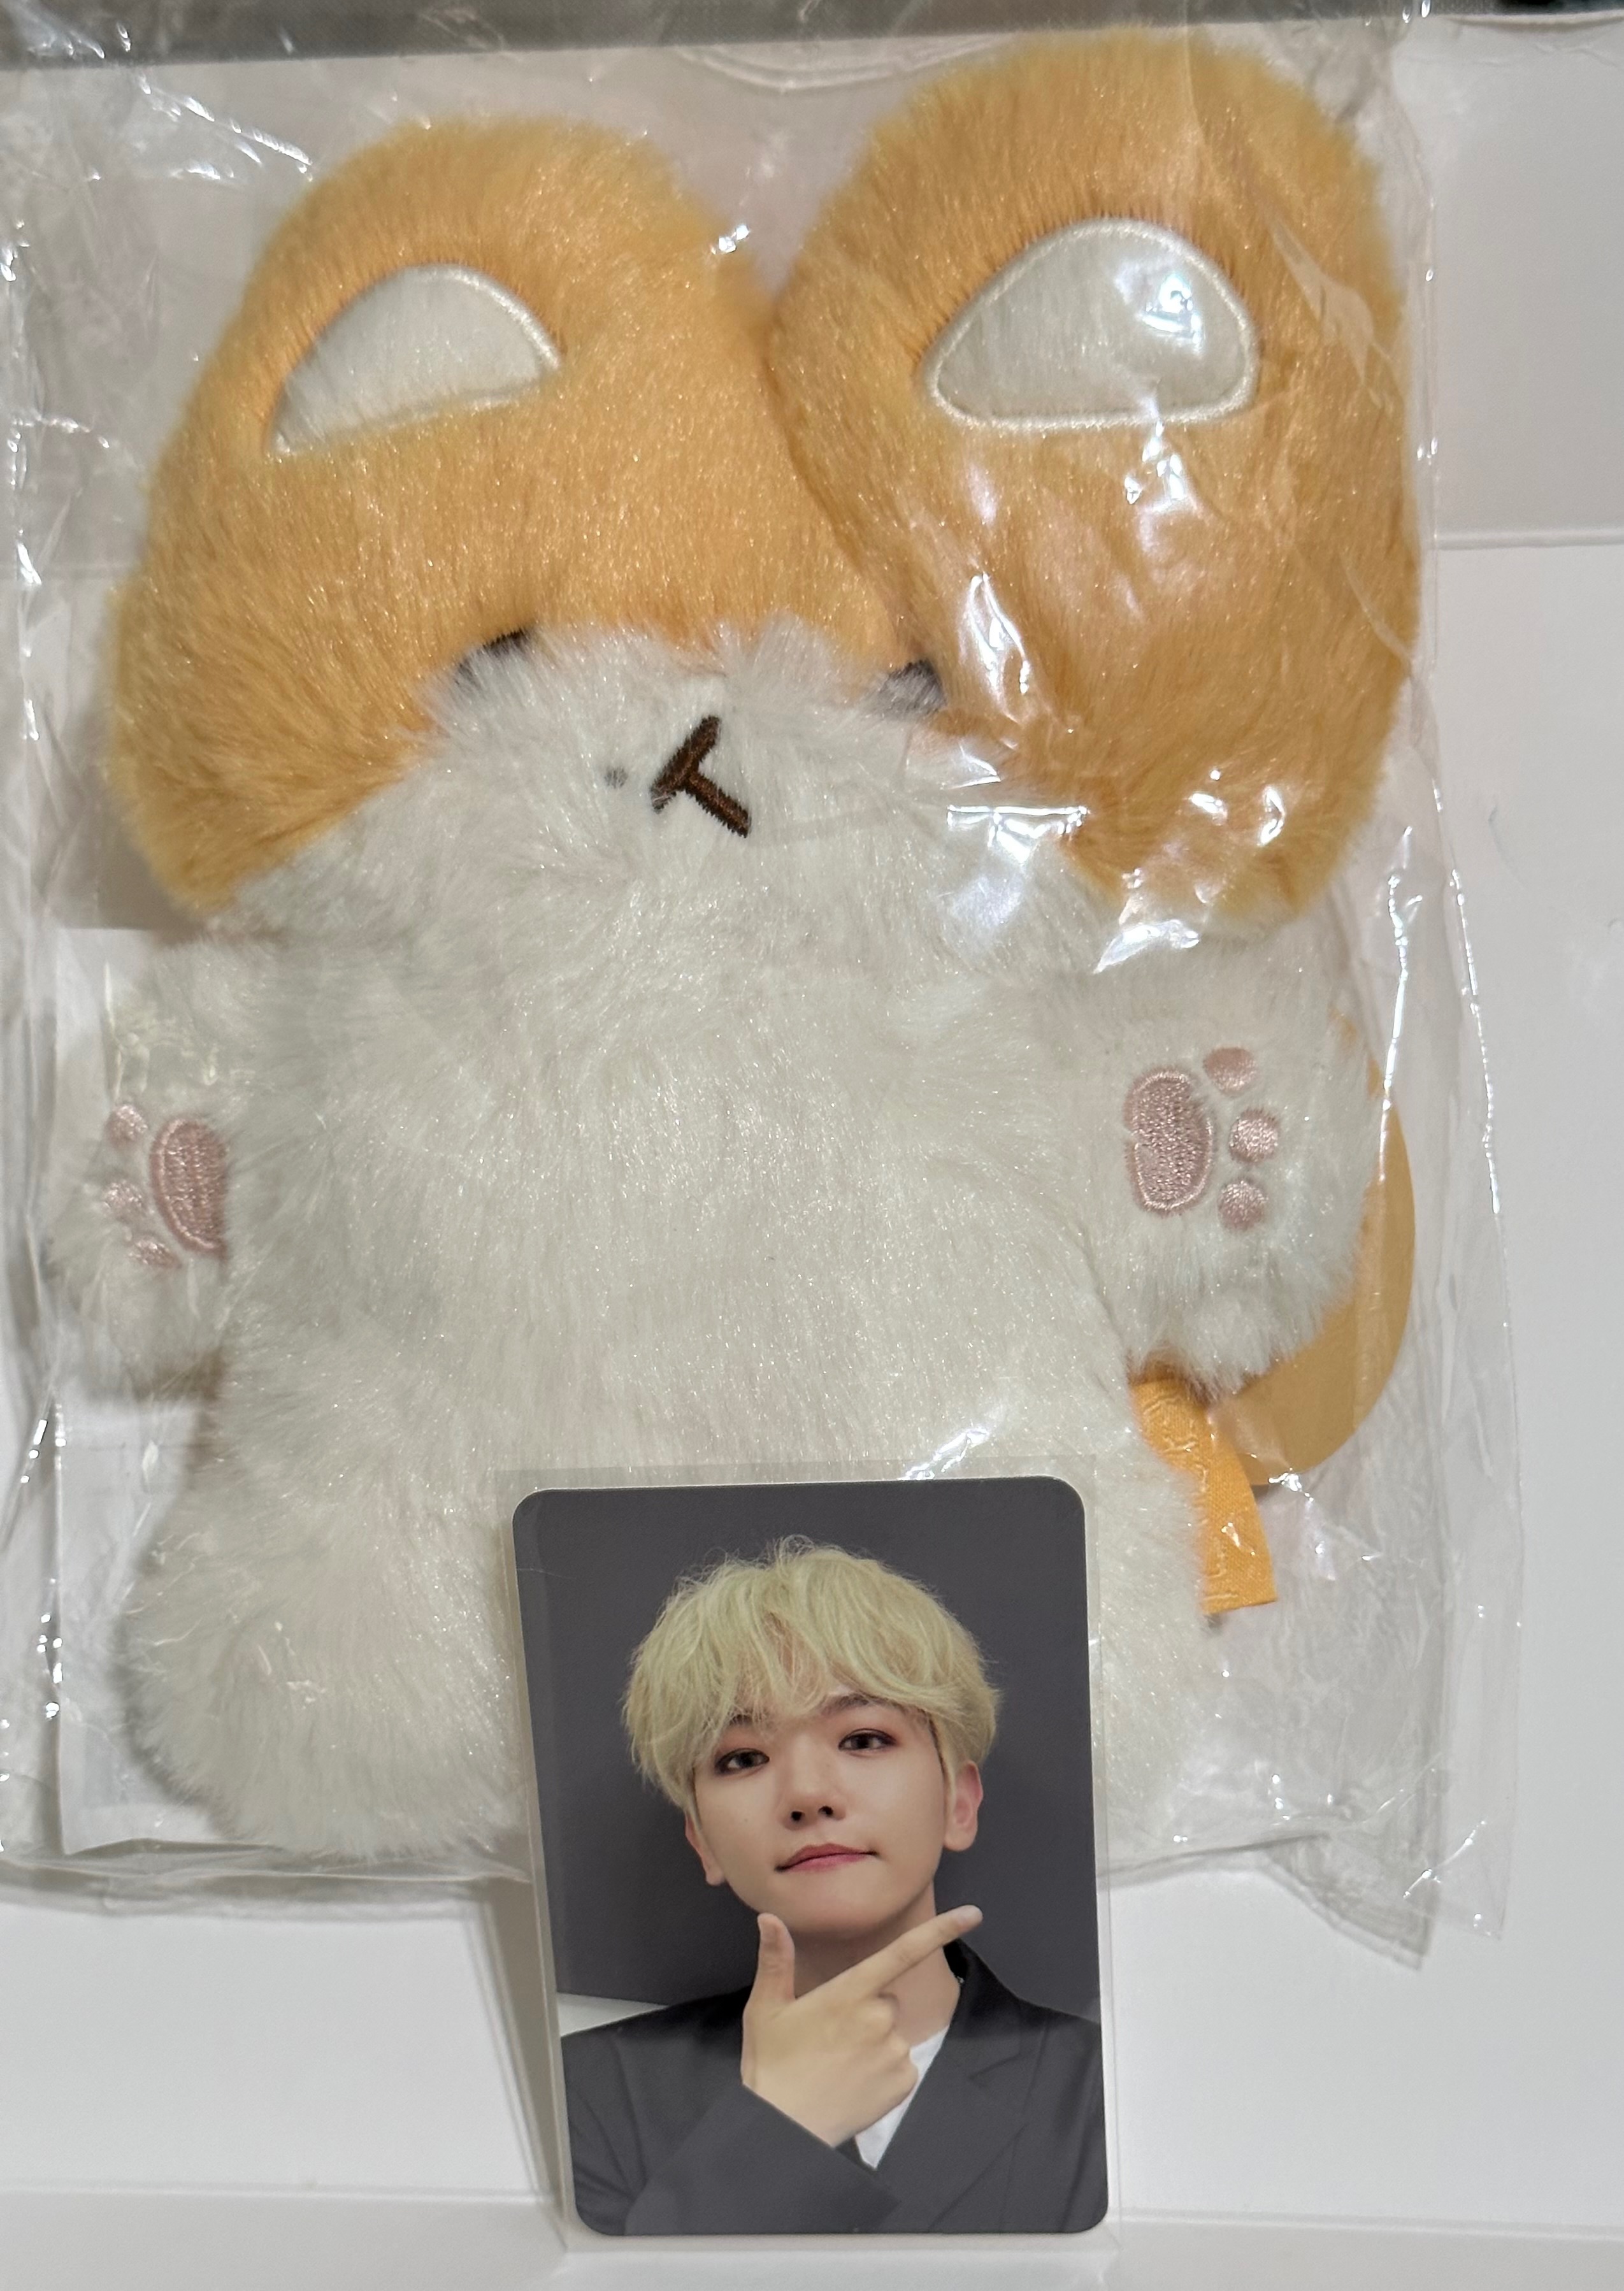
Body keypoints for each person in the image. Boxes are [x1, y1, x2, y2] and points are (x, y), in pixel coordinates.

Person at [561, 1541, 1107, 2236]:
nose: (808, 1794)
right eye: (744, 1757)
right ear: (702, 1840)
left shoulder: (1103, 2088)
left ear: (958, 1803)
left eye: (863, 1739)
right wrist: (777, 2132)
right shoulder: (585, 2091)